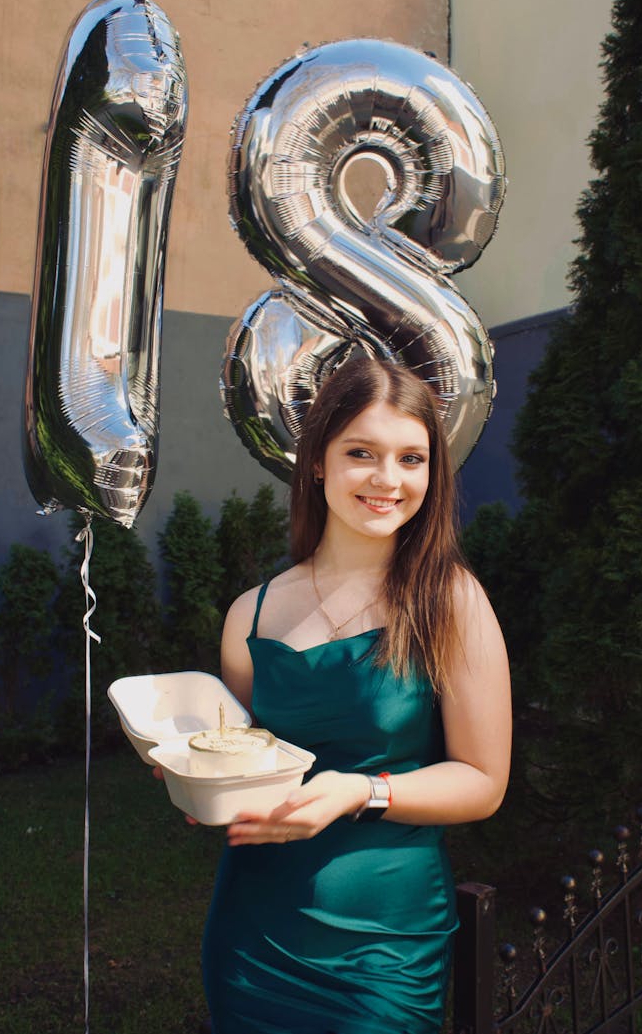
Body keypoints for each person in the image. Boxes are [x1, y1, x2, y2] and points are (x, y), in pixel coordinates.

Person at [201, 358, 511, 1034]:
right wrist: (195, 785)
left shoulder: (450, 601)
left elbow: (483, 781)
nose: (387, 479)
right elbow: (240, 767)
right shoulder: (249, 616)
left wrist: (359, 791)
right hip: (255, 935)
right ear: (317, 461)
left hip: (385, 946)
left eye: (411, 458)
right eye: (361, 453)